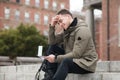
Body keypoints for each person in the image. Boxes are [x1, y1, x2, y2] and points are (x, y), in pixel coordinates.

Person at [42, 9, 98, 80]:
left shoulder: (82, 30)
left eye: (61, 21)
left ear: (68, 17)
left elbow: (76, 54)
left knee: (66, 62)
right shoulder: (68, 31)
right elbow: (52, 42)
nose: (60, 25)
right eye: (58, 23)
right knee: (52, 47)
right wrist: (52, 26)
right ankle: (49, 76)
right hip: (74, 60)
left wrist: (55, 58)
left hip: (85, 63)